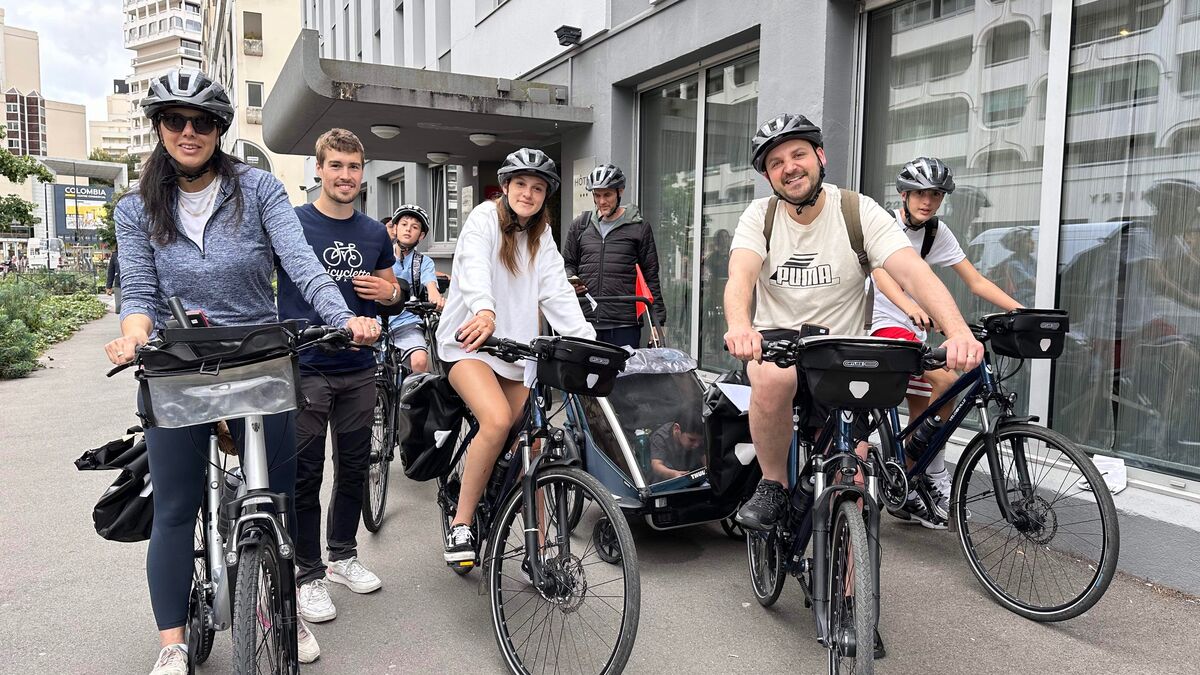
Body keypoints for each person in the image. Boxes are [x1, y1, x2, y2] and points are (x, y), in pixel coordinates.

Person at [102, 68, 377, 675]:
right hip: (178, 364)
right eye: (175, 121)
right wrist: (131, 339)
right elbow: (139, 294)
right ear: (159, 129)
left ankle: (281, 604)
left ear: (221, 129)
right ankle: (173, 643)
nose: (189, 131)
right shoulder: (135, 207)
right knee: (174, 508)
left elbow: (300, 262)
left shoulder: (258, 189)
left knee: (274, 498)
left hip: (258, 359)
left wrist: (343, 316)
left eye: (202, 122)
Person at [723, 113, 982, 531]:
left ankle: (849, 582)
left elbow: (913, 271)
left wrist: (958, 331)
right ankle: (773, 483)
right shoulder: (760, 216)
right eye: (775, 162)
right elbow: (740, 277)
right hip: (778, 341)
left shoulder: (856, 210)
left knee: (855, 480)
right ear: (769, 176)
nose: (789, 167)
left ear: (820, 156)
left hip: (840, 350)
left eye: (798, 154)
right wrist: (740, 325)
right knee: (771, 379)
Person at [436, 148, 595, 563]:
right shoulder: (483, 219)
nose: (528, 193)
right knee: (497, 419)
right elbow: (473, 268)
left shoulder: (541, 236)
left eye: (538, 187)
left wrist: (588, 344)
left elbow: (557, 291)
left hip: (514, 352)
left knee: (534, 445)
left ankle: (538, 551)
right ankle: (462, 524)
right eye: (521, 184)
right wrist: (485, 310)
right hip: (468, 343)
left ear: (545, 196)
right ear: (506, 186)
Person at [276, 128, 401, 627]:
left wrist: (388, 295)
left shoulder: (375, 232)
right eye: (336, 166)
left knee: (354, 467)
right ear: (318, 170)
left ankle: (341, 556)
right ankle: (307, 575)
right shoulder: (293, 224)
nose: (345, 176)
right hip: (306, 368)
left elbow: (393, 290)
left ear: (362, 173)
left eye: (353, 167)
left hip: (358, 369)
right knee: (305, 474)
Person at [869, 157, 1023, 529]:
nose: (927, 201)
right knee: (946, 382)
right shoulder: (883, 224)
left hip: (915, 333)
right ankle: (929, 479)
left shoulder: (936, 232)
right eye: (920, 193)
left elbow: (976, 282)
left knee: (932, 408)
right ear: (903, 194)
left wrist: (1024, 311)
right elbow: (879, 271)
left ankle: (908, 478)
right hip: (879, 328)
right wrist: (909, 306)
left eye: (936, 195)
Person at [562, 163, 666, 347]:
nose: (602, 201)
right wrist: (571, 279)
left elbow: (651, 276)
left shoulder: (639, 228)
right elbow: (568, 263)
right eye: (597, 195)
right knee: (584, 376)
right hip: (585, 320)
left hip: (623, 323)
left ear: (620, 192)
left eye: (607, 194)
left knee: (622, 376)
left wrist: (658, 322)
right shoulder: (580, 225)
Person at [385, 203, 444, 374]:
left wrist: (436, 297)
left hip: (407, 323)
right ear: (394, 228)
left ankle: (414, 401)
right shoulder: (381, 255)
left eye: (415, 227)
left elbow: (430, 283)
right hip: (376, 321)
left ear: (421, 235)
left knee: (420, 361)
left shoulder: (423, 262)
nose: (408, 230)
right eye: (404, 224)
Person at [648, 409, 705, 481]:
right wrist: (673, 474)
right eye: (691, 440)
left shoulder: (698, 440)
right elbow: (656, 465)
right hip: (668, 481)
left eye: (700, 441)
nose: (697, 445)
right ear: (676, 428)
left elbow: (706, 460)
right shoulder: (660, 437)